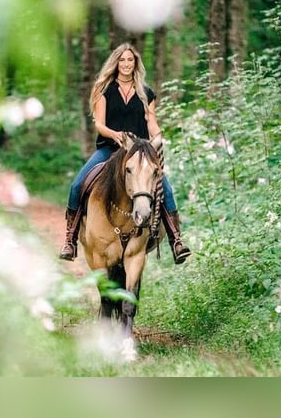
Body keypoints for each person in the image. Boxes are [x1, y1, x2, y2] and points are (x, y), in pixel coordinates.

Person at [59, 42, 191, 265]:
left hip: (139, 153)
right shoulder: (104, 90)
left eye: (130, 60)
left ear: (135, 63)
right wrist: (115, 134)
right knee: (77, 184)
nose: (126, 64)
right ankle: (70, 239)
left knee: (165, 187)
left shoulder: (145, 93)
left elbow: (151, 121)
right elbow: (99, 124)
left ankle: (176, 240)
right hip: (110, 150)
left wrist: (158, 138)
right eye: (122, 60)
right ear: (116, 63)